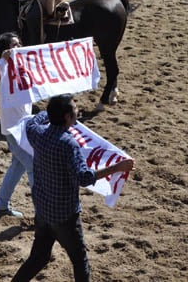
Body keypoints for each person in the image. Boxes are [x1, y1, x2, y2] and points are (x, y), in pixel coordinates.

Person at [11, 94, 135, 282]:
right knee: (79, 261)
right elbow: (84, 178)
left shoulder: (36, 134)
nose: (78, 111)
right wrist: (117, 168)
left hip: (43, 210)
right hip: (64, 216)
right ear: (68, 117)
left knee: (39, 257)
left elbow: (32, 122)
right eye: (74, 109)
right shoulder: (68, 144)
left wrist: (50, 112)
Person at [0, 32, 34, 218]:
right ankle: (42, 214)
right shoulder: (0, 68)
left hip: (24, 124)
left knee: (18, 165)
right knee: (33, 165)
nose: (18, 48)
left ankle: (1, 204)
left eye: (19, 44)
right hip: (12, 127)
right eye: (14, 45)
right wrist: (3, 59)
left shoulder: (23, 67)